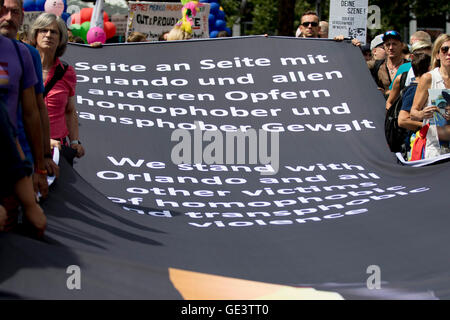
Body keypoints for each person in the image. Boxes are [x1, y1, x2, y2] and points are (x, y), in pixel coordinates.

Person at [0, 0, 59, 181]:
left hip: (19, 155)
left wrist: (43, 159)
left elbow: (36, 110)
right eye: (4, 11)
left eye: (15, 13)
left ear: (22, 17)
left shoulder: (27, 54)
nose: (9, 18)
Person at [29, 13, 85, 164]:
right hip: (26, 146)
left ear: (61, 39)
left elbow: (70, 110)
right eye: (43, 30)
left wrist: (75, 141)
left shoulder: (67, 72)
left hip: (58, 150)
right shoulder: (23, 66)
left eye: (54, 32)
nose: (48, 35)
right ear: (35, 35)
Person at [410, 34, 450, 158]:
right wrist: (422, 114)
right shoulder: (429, 78)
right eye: (445, 49)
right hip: (435, 148)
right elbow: (413, 113)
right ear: (437, 54)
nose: (449, 53)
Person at [386, 41, 433, 110]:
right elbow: (389, 102)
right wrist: (396, 117)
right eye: (421, 56)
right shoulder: (402, 78)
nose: (425, 61)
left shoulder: (437, 77)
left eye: (429, 58)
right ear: (411, 57)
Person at [368, 30, 408, 98]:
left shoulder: (410, 66)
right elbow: (355, 66)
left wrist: (386, 93)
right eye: (388, 44)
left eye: (394, 44)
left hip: (403, 106)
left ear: (401, 45)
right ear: (384, 46)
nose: (391, 48)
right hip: (381, 106)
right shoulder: (377, 65)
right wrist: (353, 46)